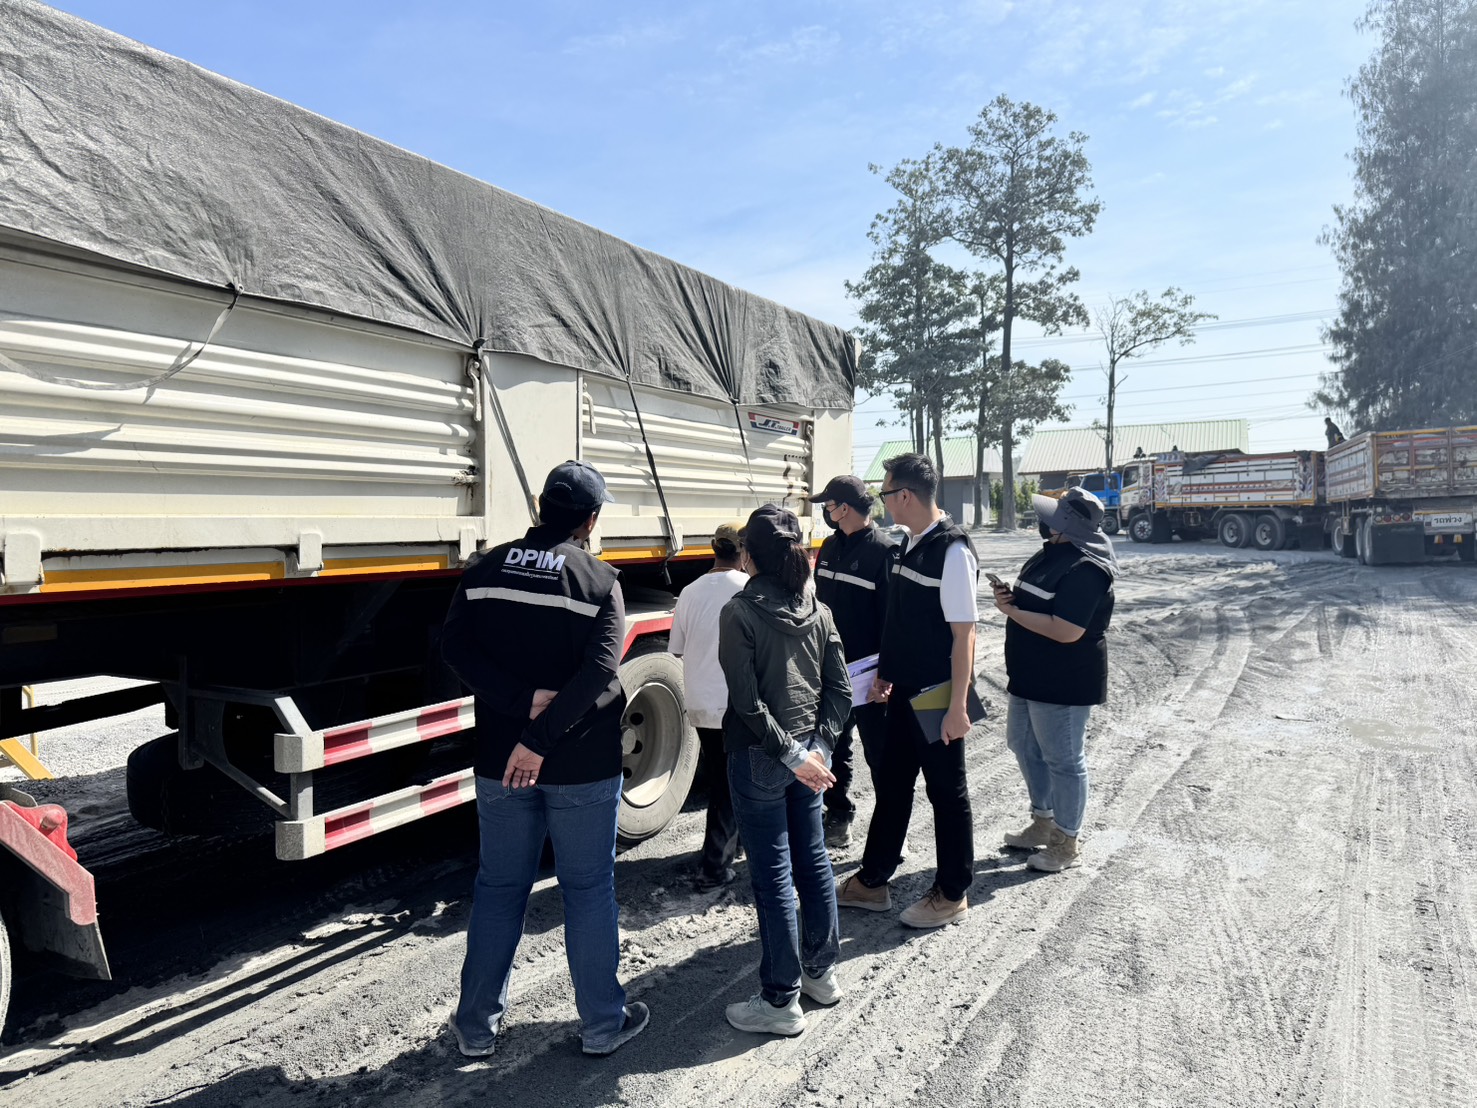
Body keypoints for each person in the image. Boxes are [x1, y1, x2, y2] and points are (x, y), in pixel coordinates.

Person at [441, 460, 648, 1058]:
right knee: (588, 889)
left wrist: (518, 706)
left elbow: (454, 648)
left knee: (500, 887)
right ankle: (602, 1024)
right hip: (581, 761)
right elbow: (600, 671)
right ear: (591, 520)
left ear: (539, 506)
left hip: (501, 759)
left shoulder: (484, 570)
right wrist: (543, 737)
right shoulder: (599, 581)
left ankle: (476, 1027)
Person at [719, 504, 851, 1036]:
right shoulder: (818, 609)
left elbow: (747, 703)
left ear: (748, 556)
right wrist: (817, 749)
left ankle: (779, 999)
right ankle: (820, 974)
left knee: (773, 875)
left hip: (762, 757)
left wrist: (795, 755)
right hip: (808, 757)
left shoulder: (740, 611)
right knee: (813, 861)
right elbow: (840, 691)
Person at [836, 453, 980, 929]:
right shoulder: (910, 543)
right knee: (893, 785)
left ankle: (952, 892)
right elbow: (903, 620)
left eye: (884, 493)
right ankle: (873, 881)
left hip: (937, 694)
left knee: (947, 792)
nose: (882, 502)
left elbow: (964, 635)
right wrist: (885, 672)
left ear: (904, 496)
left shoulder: (952, 551)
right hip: (901, 690)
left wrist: (957, 706)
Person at [991, 485, 1117, 873]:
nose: (1043, 523)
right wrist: (1012, 599)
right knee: (1023, 744)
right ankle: (1043, 821)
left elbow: (1066, 630)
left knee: (1064, 760)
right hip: (1030, 674)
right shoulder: (1051, 554)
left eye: (1052, 518)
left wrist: (1013, 613)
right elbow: (1040, 603)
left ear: (1067, 526)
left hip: (1064, 680)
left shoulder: (1088, 569)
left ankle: (1066, 841)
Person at [804, 475, 895, 849]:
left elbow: (893, 621)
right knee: (834, 746)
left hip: (870, 676)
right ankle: (839, 814)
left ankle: (892, 829)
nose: (825, 512)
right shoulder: (829, 547)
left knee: (881, 754)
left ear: (844, 508)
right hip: (831, 670)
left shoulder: (885, 552)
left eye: (828, 505)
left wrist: (886, 675)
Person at [670, 520, 747, 891]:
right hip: (734, 703)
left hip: (700, 701)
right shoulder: (748, 588)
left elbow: (678, 648)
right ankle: (714, 867)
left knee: (723, 779)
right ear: (743, 551)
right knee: (733, 784)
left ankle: (732, 846)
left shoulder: (689, 591)